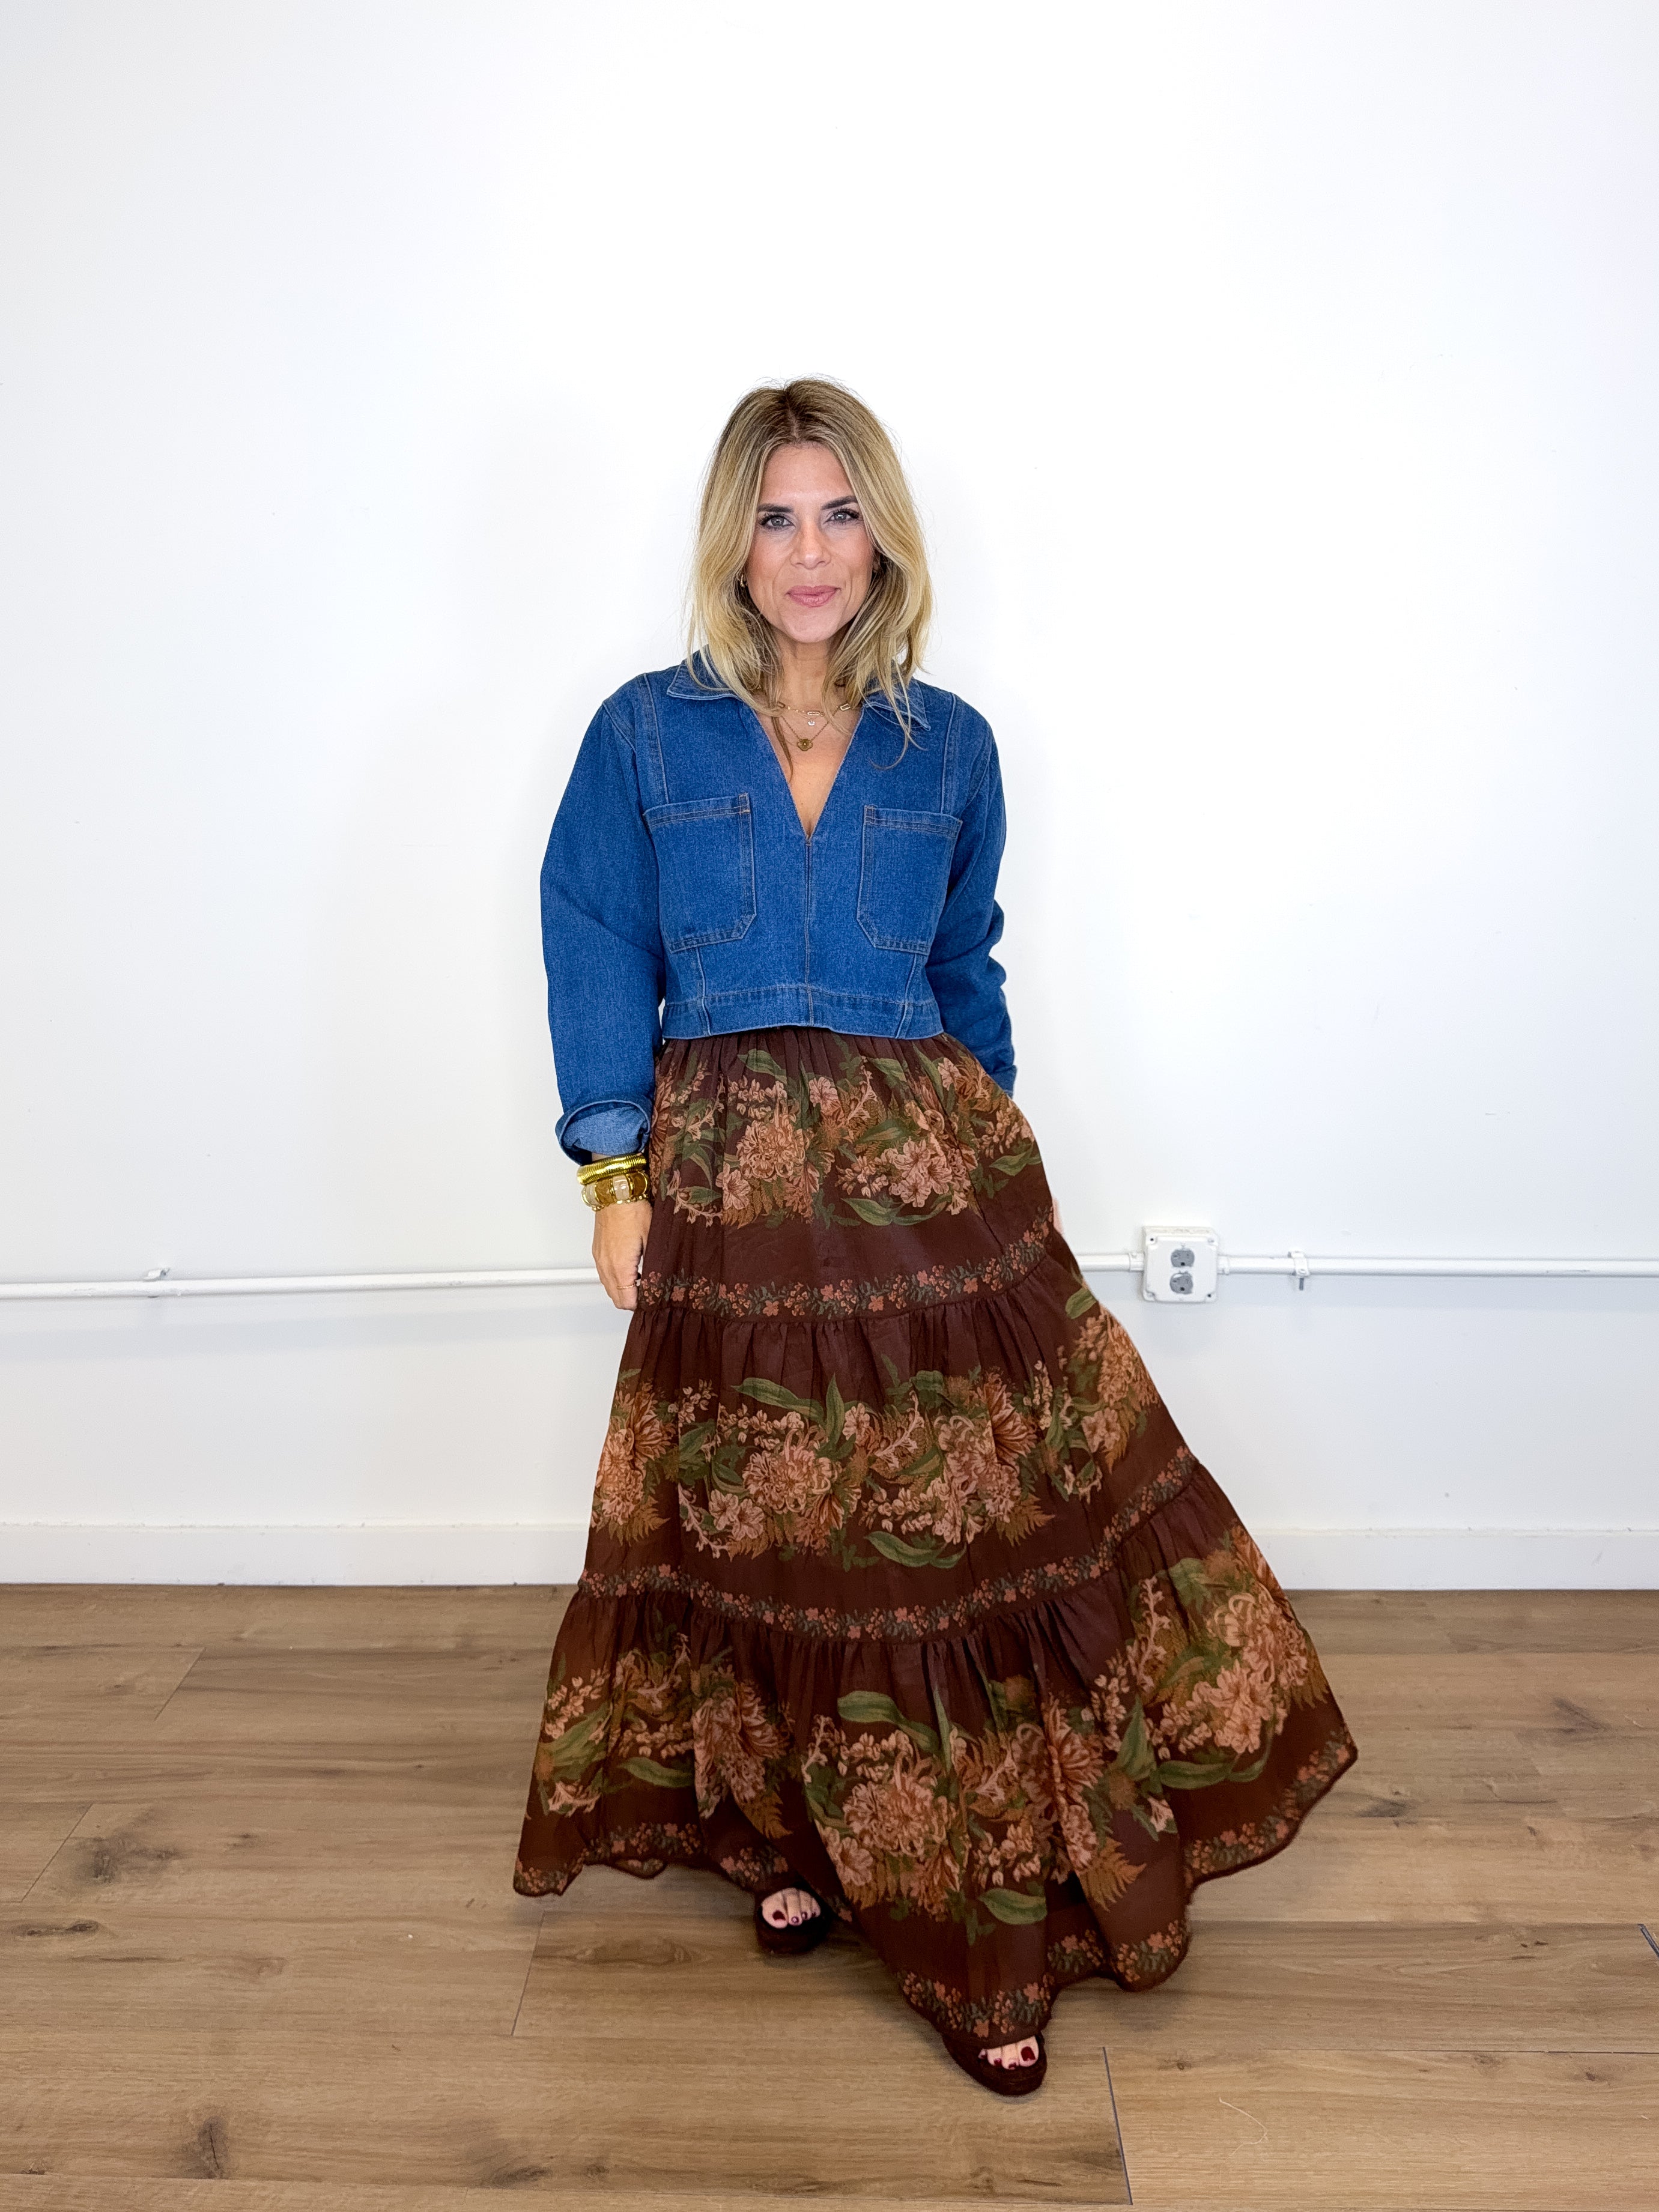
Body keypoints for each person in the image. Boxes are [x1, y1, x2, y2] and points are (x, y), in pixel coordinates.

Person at [514, 377, 1357, 2095]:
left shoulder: (946, 742)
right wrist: (614, 1175)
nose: (809, 551)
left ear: (884, 536)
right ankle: (793, 1833)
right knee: (765, 1523)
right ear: (730, 541)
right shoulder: (643, 734)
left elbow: (967, 968)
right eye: (775, 516)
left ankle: (976, 1924)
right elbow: (593, 933)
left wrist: (1001, 1147)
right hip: (731, 1184)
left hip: (924, 1182)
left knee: (942, 1539)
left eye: (840, 513)